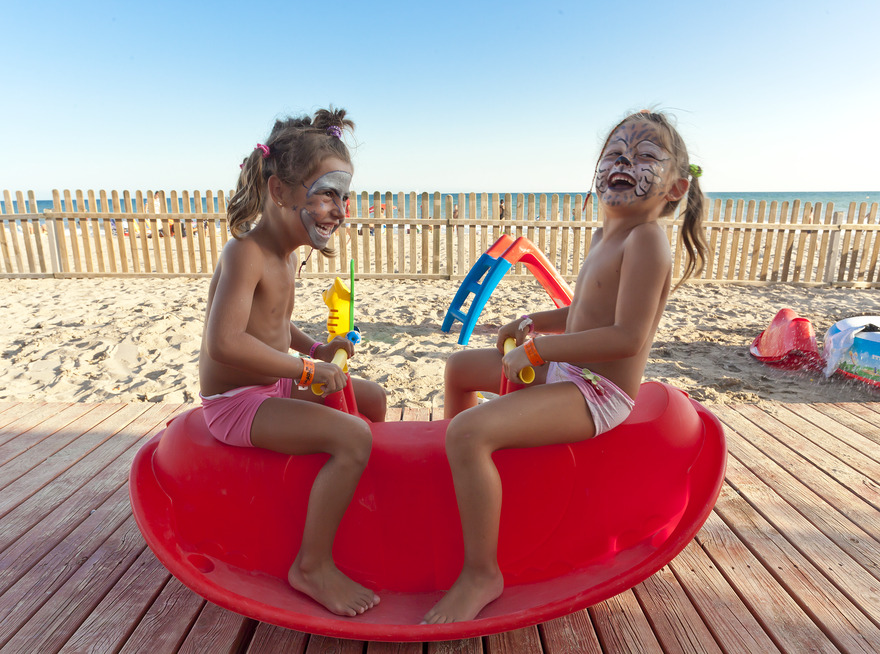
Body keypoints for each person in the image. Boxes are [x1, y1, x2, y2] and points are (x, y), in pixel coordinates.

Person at [423, 111, 707, 624]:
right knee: (459, 368)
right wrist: (532, 321)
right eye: (614, 153)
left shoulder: (647, 240)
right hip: (567, 373)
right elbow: (582, 313)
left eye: (645, 156)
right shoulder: (606, 237)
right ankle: (464, 484)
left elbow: (627, 338)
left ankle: (482, 573)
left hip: (598, 392)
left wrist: (538, 352)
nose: (625, 162)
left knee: (468, 432)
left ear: (675, 187)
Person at [198, 108, 387, 617]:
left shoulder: (287, 254)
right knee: (353, 435)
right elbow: (226, 342)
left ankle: (347, 502)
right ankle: (311, 564)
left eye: (344, 197)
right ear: (280, 191)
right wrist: (306, 371)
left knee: (372, 399)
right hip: (236, 404)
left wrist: (313, 350)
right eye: (327, 193)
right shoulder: (246, 252)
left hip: (272, 389)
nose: (340, 209)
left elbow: (275, 324)